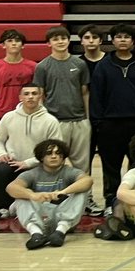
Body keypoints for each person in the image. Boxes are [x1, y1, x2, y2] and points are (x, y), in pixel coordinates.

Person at [90, 24, 135, 211]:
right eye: (118, 37)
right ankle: (112, 202)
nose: (122, 40)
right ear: (112, 40)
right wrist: (98, 123)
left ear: (133, 41)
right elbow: (96, 96)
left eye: (126, 37)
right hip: (110, 125)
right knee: (110, 167)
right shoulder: (103, 66)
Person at [0, 84, 62, 236]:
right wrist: (1, 154)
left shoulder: (50, 120)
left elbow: (54, 147)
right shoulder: (8, 117)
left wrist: (29, 162)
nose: (30, 97)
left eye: (34, 93)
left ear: (40, 97)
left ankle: (19, 207)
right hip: (13, 163)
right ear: (20, 97)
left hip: (38, 165)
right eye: (26, 94)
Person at [6, 137, 92, 249]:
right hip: (39, 216)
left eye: (58, 153)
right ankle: (36, 234)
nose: (54, 156)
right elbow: (11, 187)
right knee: (21, 195)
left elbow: (87, 180)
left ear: (63, 157)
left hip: (62, 217)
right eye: (49, 153)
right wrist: (33, 195)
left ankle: (60, 232)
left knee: (81, 192)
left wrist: (63, 192)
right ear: (41, 157)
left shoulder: (69, 172)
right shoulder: (32, 173)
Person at [33, 26, 91, 172]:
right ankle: (59, 193)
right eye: (55, 39)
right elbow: (40, 95)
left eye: (63, 38)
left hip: (79, 121)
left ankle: (85, 194)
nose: (60, 42)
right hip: (55, 121)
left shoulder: (80, 64)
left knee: (82, 163)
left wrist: (87, 119)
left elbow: (85, 93)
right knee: (55, 161)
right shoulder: (42, 67)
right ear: (49, 43)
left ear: (69, 40)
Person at [0, 28, 36, 169]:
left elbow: (37, 93)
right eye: (10, 41)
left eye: (17, 41)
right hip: (1, 116)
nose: (14, 44)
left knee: (25, 152)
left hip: (25, 115)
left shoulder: (32, 67)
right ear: (3, 45)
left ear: (23, 45)